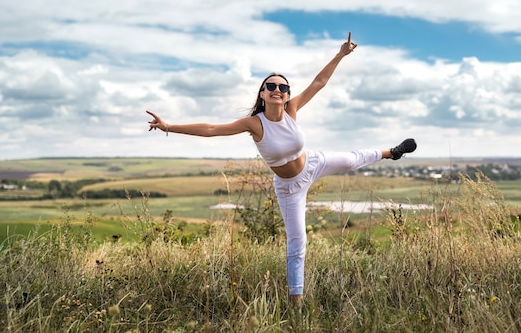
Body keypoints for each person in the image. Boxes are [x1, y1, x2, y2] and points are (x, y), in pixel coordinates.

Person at [146, 33, 417, 309]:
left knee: (350, 160)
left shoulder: (292, 109)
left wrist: (340, 54)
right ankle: (296, 302)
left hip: (311, 163)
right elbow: (212, 129)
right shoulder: (254, 123)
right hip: (290, 187)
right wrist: (169, 127)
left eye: (283, 87)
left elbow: (319, 83)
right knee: (298, 241)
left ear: (286, 93)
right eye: (271, 86)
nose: (278, 89)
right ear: (262, 94)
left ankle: (391, 152)